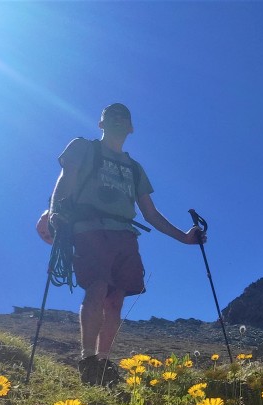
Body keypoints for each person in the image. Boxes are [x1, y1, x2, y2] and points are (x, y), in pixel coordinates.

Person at [36, 103, 204, 385]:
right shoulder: (83, 147)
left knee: (116, 298)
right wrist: (53, 211)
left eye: (123, 116)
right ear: (101, 123)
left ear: (131, 127)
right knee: (98, 287)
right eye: (111, 115)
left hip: (124, 234)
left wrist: (185, 238)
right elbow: (66, 180)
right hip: (90, 227)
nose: (117, 118)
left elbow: (150, 213)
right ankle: (88, 359)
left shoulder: (135, 169)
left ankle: (102, 362)